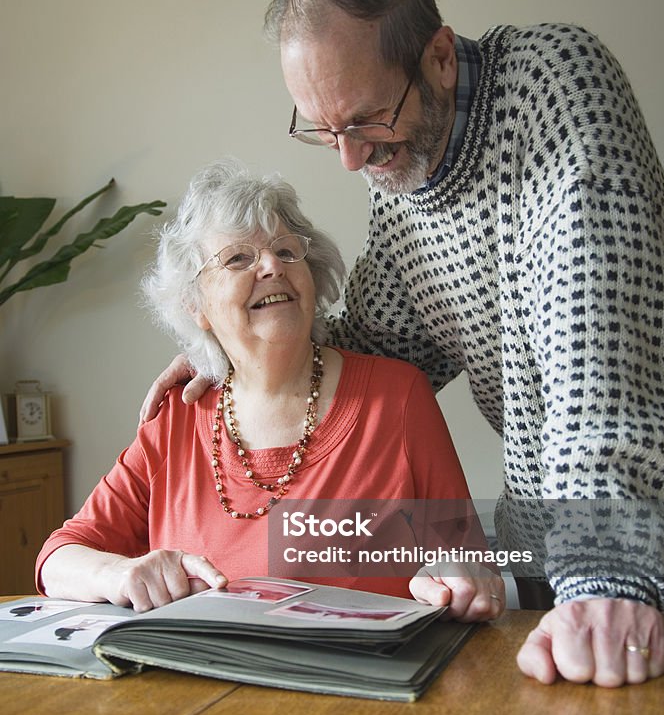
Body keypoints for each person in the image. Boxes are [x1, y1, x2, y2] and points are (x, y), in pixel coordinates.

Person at [142, 0, 664, 687]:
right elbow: (380, 339)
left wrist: (612, 576)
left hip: (639, 542)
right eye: (323, 131)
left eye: (365, 121)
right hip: (555, 562)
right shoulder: (403, 168)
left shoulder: (555, 88)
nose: (351, 161)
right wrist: (238, 358)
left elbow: (599, 352)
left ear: (438, 57)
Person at [37, 158, 503, 622]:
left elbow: (470, 564)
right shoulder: (176, 420)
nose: (271, 267)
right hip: (198, 688)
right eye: (239, 258)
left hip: (358, 686)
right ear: (195, 305)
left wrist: (459, 577)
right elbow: (59, 557)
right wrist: (120, 575)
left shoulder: (397, 398)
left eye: (286, 252)